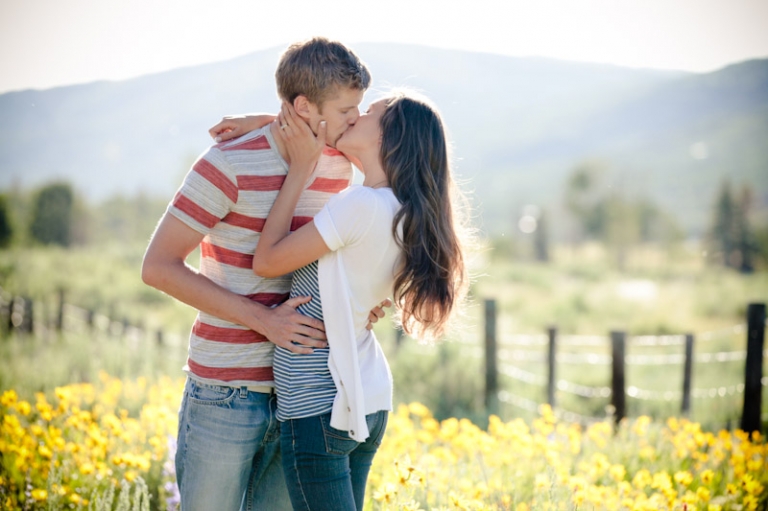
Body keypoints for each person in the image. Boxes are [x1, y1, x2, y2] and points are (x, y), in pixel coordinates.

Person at [141, 37, 379, 511]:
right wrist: (264, 320)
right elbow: (158, 267)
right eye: (348, 109)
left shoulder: (342, 164)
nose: (357, 118)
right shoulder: (227, 163)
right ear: (305, 107)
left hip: (307, 393)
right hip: (226, 391)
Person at [240, 90, 469, 511]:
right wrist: (260, 123)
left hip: (320, 400)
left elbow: (267, 260)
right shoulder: (406, 212)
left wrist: (301, 169)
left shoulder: (360, 204)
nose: (355, 116)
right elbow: (316, 127)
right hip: (366, 396)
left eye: (370, 113)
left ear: (387, 139)